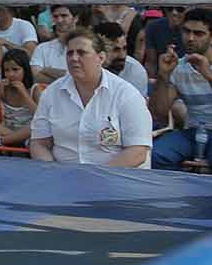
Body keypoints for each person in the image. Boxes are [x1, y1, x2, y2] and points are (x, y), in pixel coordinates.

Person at [30, 30, 153, 168]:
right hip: (63, 175)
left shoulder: (126, 95)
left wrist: (96, 176)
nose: (74, 58)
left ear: (101, 58)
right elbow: (39, 143)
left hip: (116, 176)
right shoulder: (52, 93)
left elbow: (138, 152)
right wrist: (52, 171)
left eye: (81, 53)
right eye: (70, 53)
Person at [150, 8, 212, 173]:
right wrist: (163, 76)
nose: (190, 38)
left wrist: (210, 76)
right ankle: (178, 189)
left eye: (198, 33)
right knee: (156, 155)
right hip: (192, 132)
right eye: (186, 31)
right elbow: (160, 113)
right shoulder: (178, 66)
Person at [0, 48, 43, 147]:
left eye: (15, 69)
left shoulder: (35, 89)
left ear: (25, 70)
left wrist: (24, 93)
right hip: (5, 130)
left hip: (28, 131)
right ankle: (19, 141)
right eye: (7, 70)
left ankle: (3, 140)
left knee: (37, 125)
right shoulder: (1, 87)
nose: (11, 74)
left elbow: (41, 116)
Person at [96, 22, 148, 97]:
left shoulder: (135, 71)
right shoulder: (86, 67)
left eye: (124, 48)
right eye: (115, 50)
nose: (122, 56)